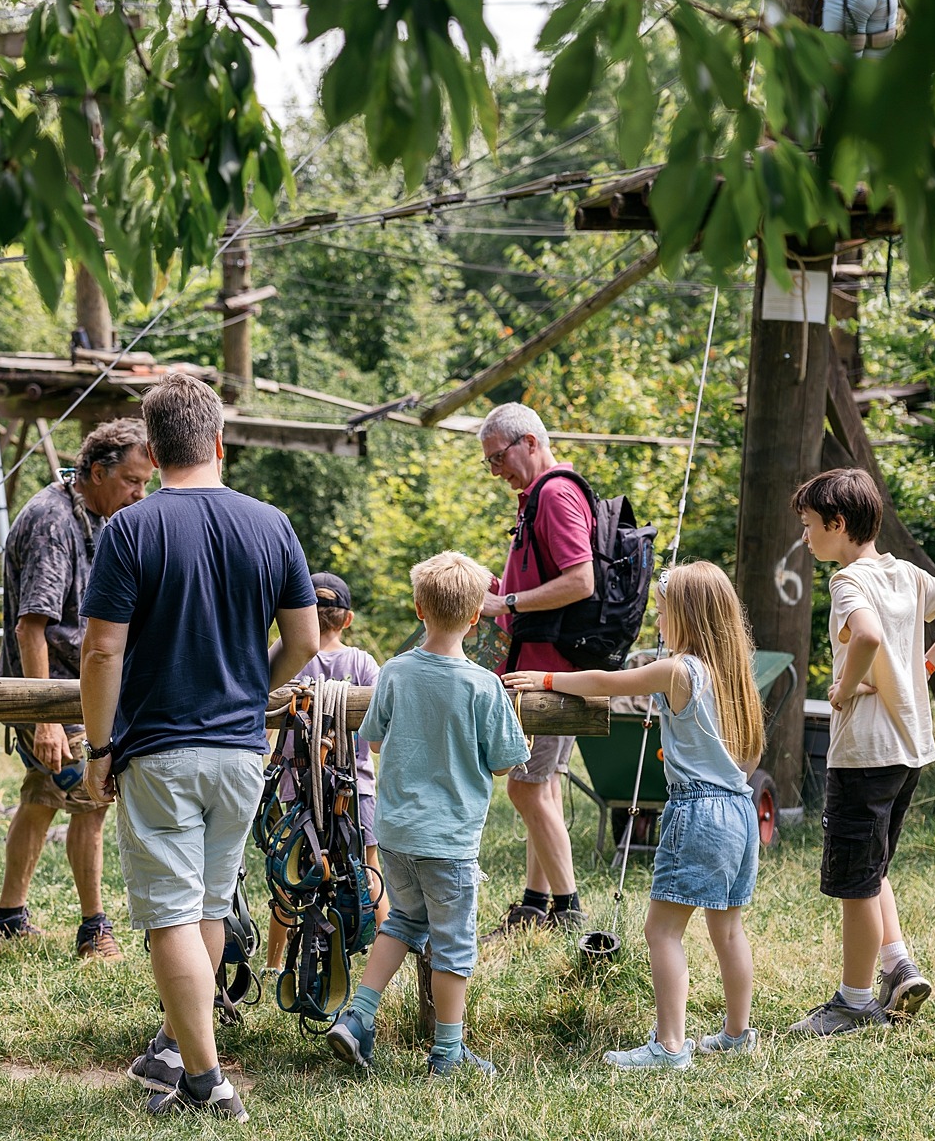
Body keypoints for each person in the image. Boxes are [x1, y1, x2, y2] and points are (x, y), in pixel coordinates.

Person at [78, 372, 320, 1122]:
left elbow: (100, 654)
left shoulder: (131, 528)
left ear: (152, 448)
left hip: (162, 747)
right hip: (242, 750)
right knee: (210, 903)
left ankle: (204, 1082)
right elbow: (305, 640)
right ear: (219, 442)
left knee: (170, 916)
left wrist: (96, 748)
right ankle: (184, 1049)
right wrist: (253, 687)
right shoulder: (270, 523)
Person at [506, 561, 765, 1069]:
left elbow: (608, 680)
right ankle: (738, 1033)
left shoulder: (678, 669)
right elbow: (747, 757)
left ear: (688, 616)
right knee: (728, 930)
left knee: (661, 931)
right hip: (739, 808)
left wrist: (546, 676)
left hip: (698, 812)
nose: (659, 625)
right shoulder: (735, 675)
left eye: (665, 614)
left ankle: (669, 1046)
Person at [786, 468, 935, 1035]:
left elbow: (870, 637)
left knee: (855, 880)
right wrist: (921, 666)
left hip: (864, 752)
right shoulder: (907, 574)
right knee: (873, 865)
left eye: (808, 526)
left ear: (838, 523)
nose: (805, 538)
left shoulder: (849, 581)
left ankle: (854, 1003)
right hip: (907, 751)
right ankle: (898, 967)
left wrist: (846, 688)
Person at [324, 551, 530, 1078]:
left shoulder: (393, 671)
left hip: (394, 833)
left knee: (403, 922)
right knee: (454, 946)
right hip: (450, 840)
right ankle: (448, 1051)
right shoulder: (484, 685)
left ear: (419, 608)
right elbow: (507, 764)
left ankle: (358, 1015)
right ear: (476, 617)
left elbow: (370, 738)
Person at [0, 419, 154, 959]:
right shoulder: (52, 520)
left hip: (73, 688)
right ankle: (93, 929)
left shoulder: (96, 515)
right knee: (90, 803)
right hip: (52, 692)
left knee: (41, 800)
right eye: (131, 480)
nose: (139, 493)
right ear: (97, 471)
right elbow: (31, 625)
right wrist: (45, 718)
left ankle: (9, 916)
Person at [476, 402, 594, 936]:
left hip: (551, 670)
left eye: (497, 457)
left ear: (528, 441)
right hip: (545, 665)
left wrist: (508, 605)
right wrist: (494, 591)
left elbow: (580, 581)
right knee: (540, 788)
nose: (495, 470)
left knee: (523, 790)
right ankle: (533, 905)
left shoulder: (555, 494)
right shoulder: (537, 498)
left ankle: (569, 911)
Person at [263, 571, 386, 981]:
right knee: (367, 866)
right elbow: (376, 737)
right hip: (356, 788)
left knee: (289, 870)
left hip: (295, 787)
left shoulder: (288, 656)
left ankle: (274, 963)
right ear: (346, 620)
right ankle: (387, 961)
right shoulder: (362, 663)